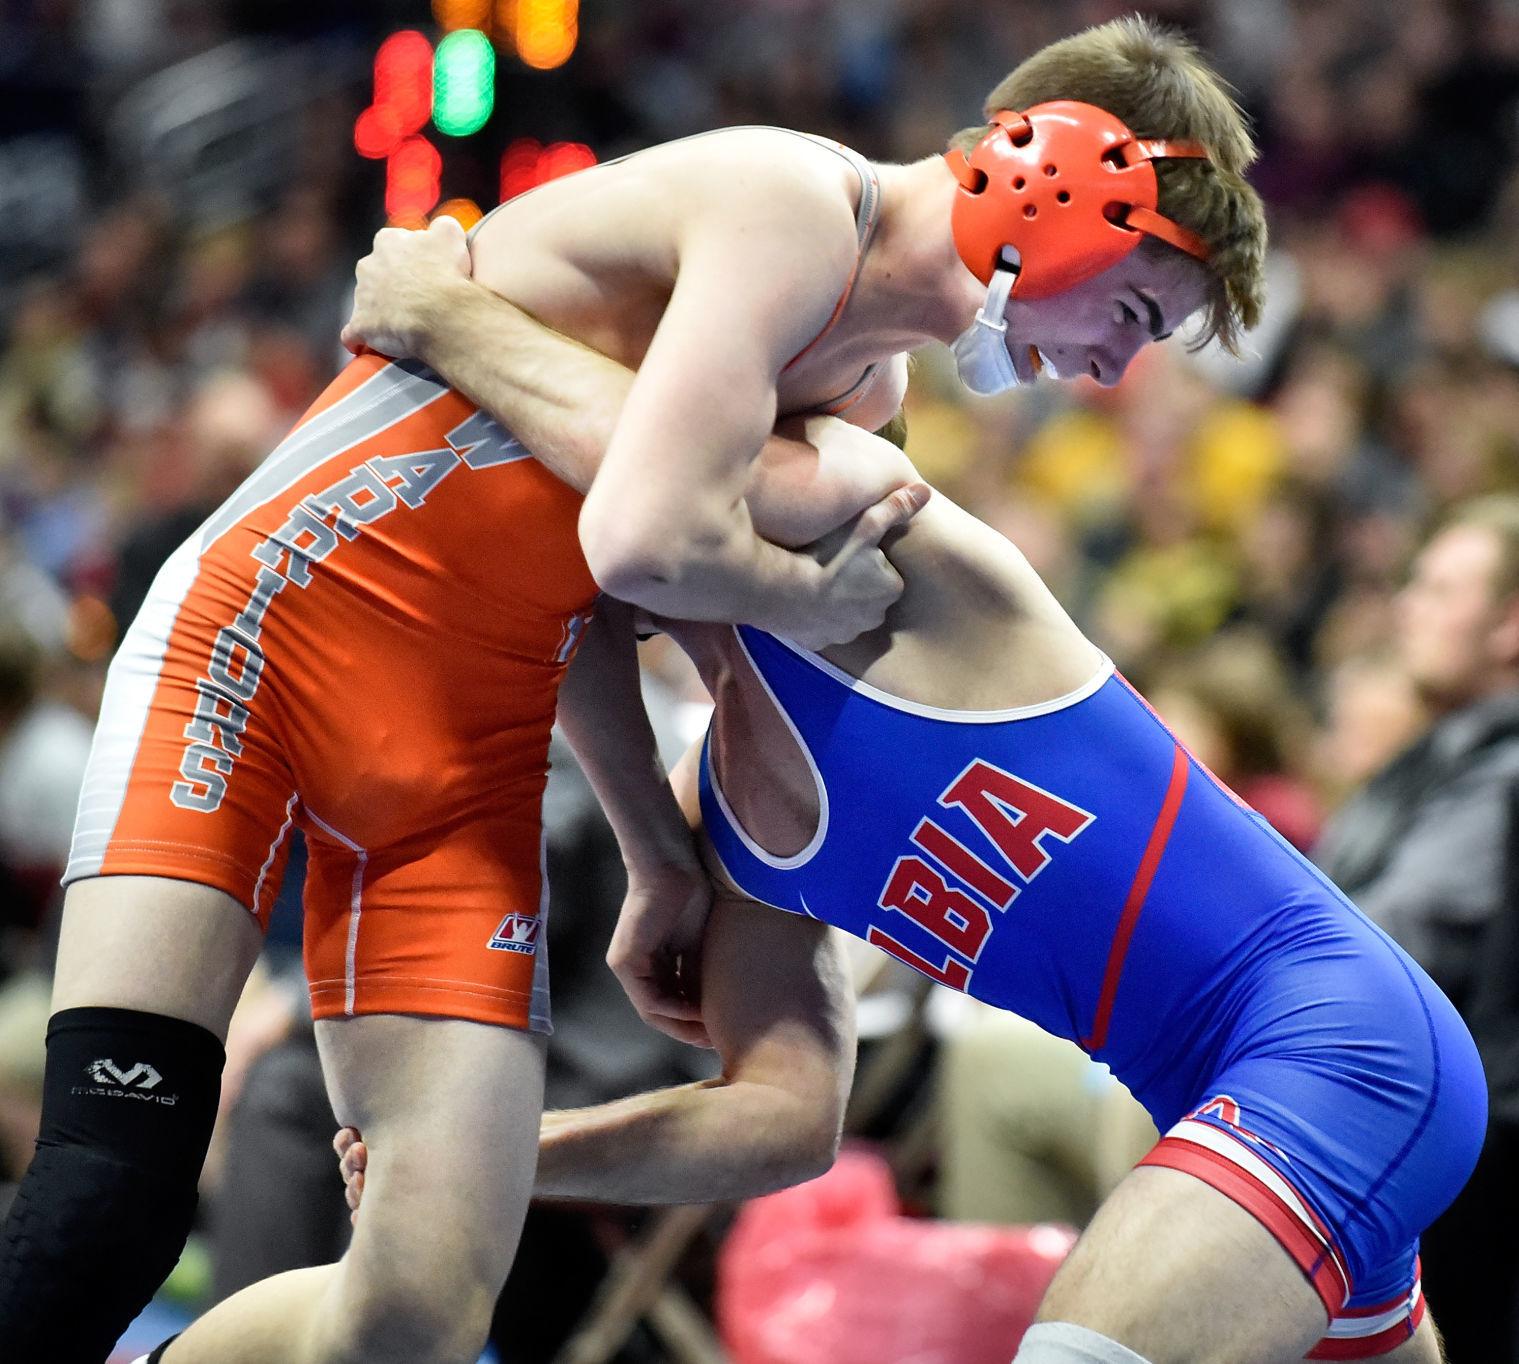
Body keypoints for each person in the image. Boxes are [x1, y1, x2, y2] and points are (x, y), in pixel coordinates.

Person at [0, 19, 1266, 1364]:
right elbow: (644, 537)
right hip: (264, 640)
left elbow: (605, 604)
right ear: (1060, 189)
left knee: (415, 1308)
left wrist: (657, 852)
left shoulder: (867, 386)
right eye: (1134, 314)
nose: (1114, 368)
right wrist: (785, 587)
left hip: (470, 742)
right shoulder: (789, 198)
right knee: (112, 1194)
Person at [329, 226, 1478, 1364]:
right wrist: (499, 1150)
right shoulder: (726, 819)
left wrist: (450, 320)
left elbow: (653, 465)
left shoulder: (894, 554)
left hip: (1338, 1045)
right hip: (1224, 1096)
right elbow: (776, 1120)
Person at [1314, 497, 1519, 1364]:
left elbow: (1401, 940)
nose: (1408, 606)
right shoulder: (1446, 751)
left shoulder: (1503, 773)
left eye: (1439, 591)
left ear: (1510, 625)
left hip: (1443, 1142)